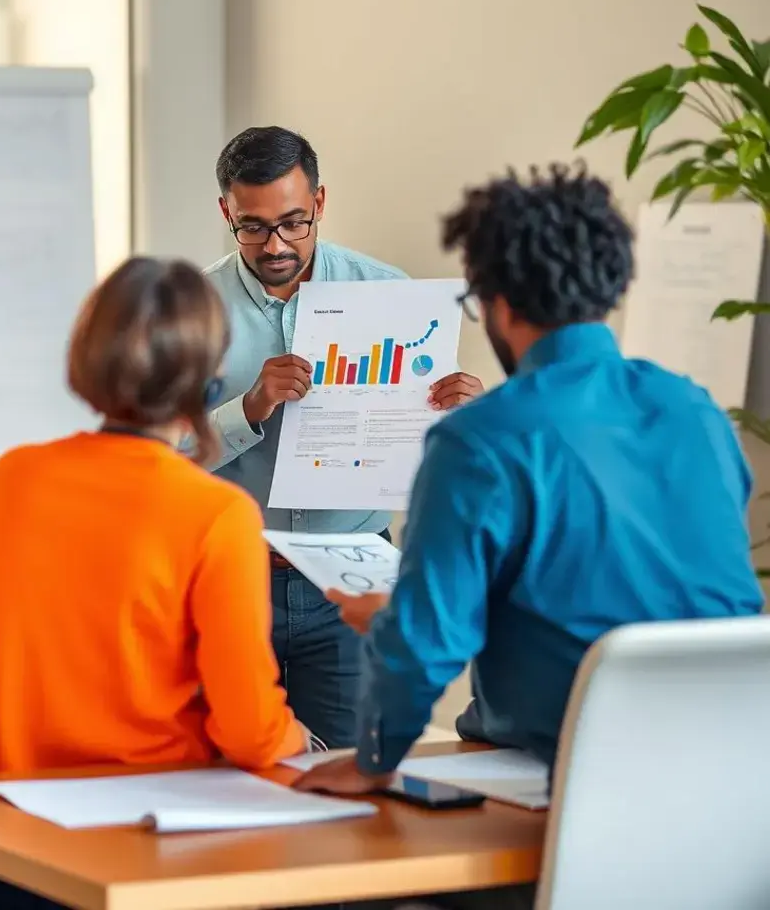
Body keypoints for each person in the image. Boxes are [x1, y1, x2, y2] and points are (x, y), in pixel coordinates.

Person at [297, 165, 765, 909]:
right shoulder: (697, 413)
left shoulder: (482, 440)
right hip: (734, 818)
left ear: (498, 302)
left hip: (564, 812)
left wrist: (376, 758)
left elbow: (426, 646)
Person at [0, 255, 304, 778]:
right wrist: (305, 740)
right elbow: (252, 732)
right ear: (210, 383)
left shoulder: (12, 478)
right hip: (136, 814)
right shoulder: (217, 514)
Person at [204, 126, 483, 748]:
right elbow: (162, 455)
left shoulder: (390, 293)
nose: (276, 244)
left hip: (351, 579)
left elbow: (424, 447)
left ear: (320, 204)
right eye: (252, 226)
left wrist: (460, 415)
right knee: (229, 777)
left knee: (355, 780)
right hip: (233, 580)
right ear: (227, 211)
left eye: (294, 223)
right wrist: (245, 409)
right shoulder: (193, 309)